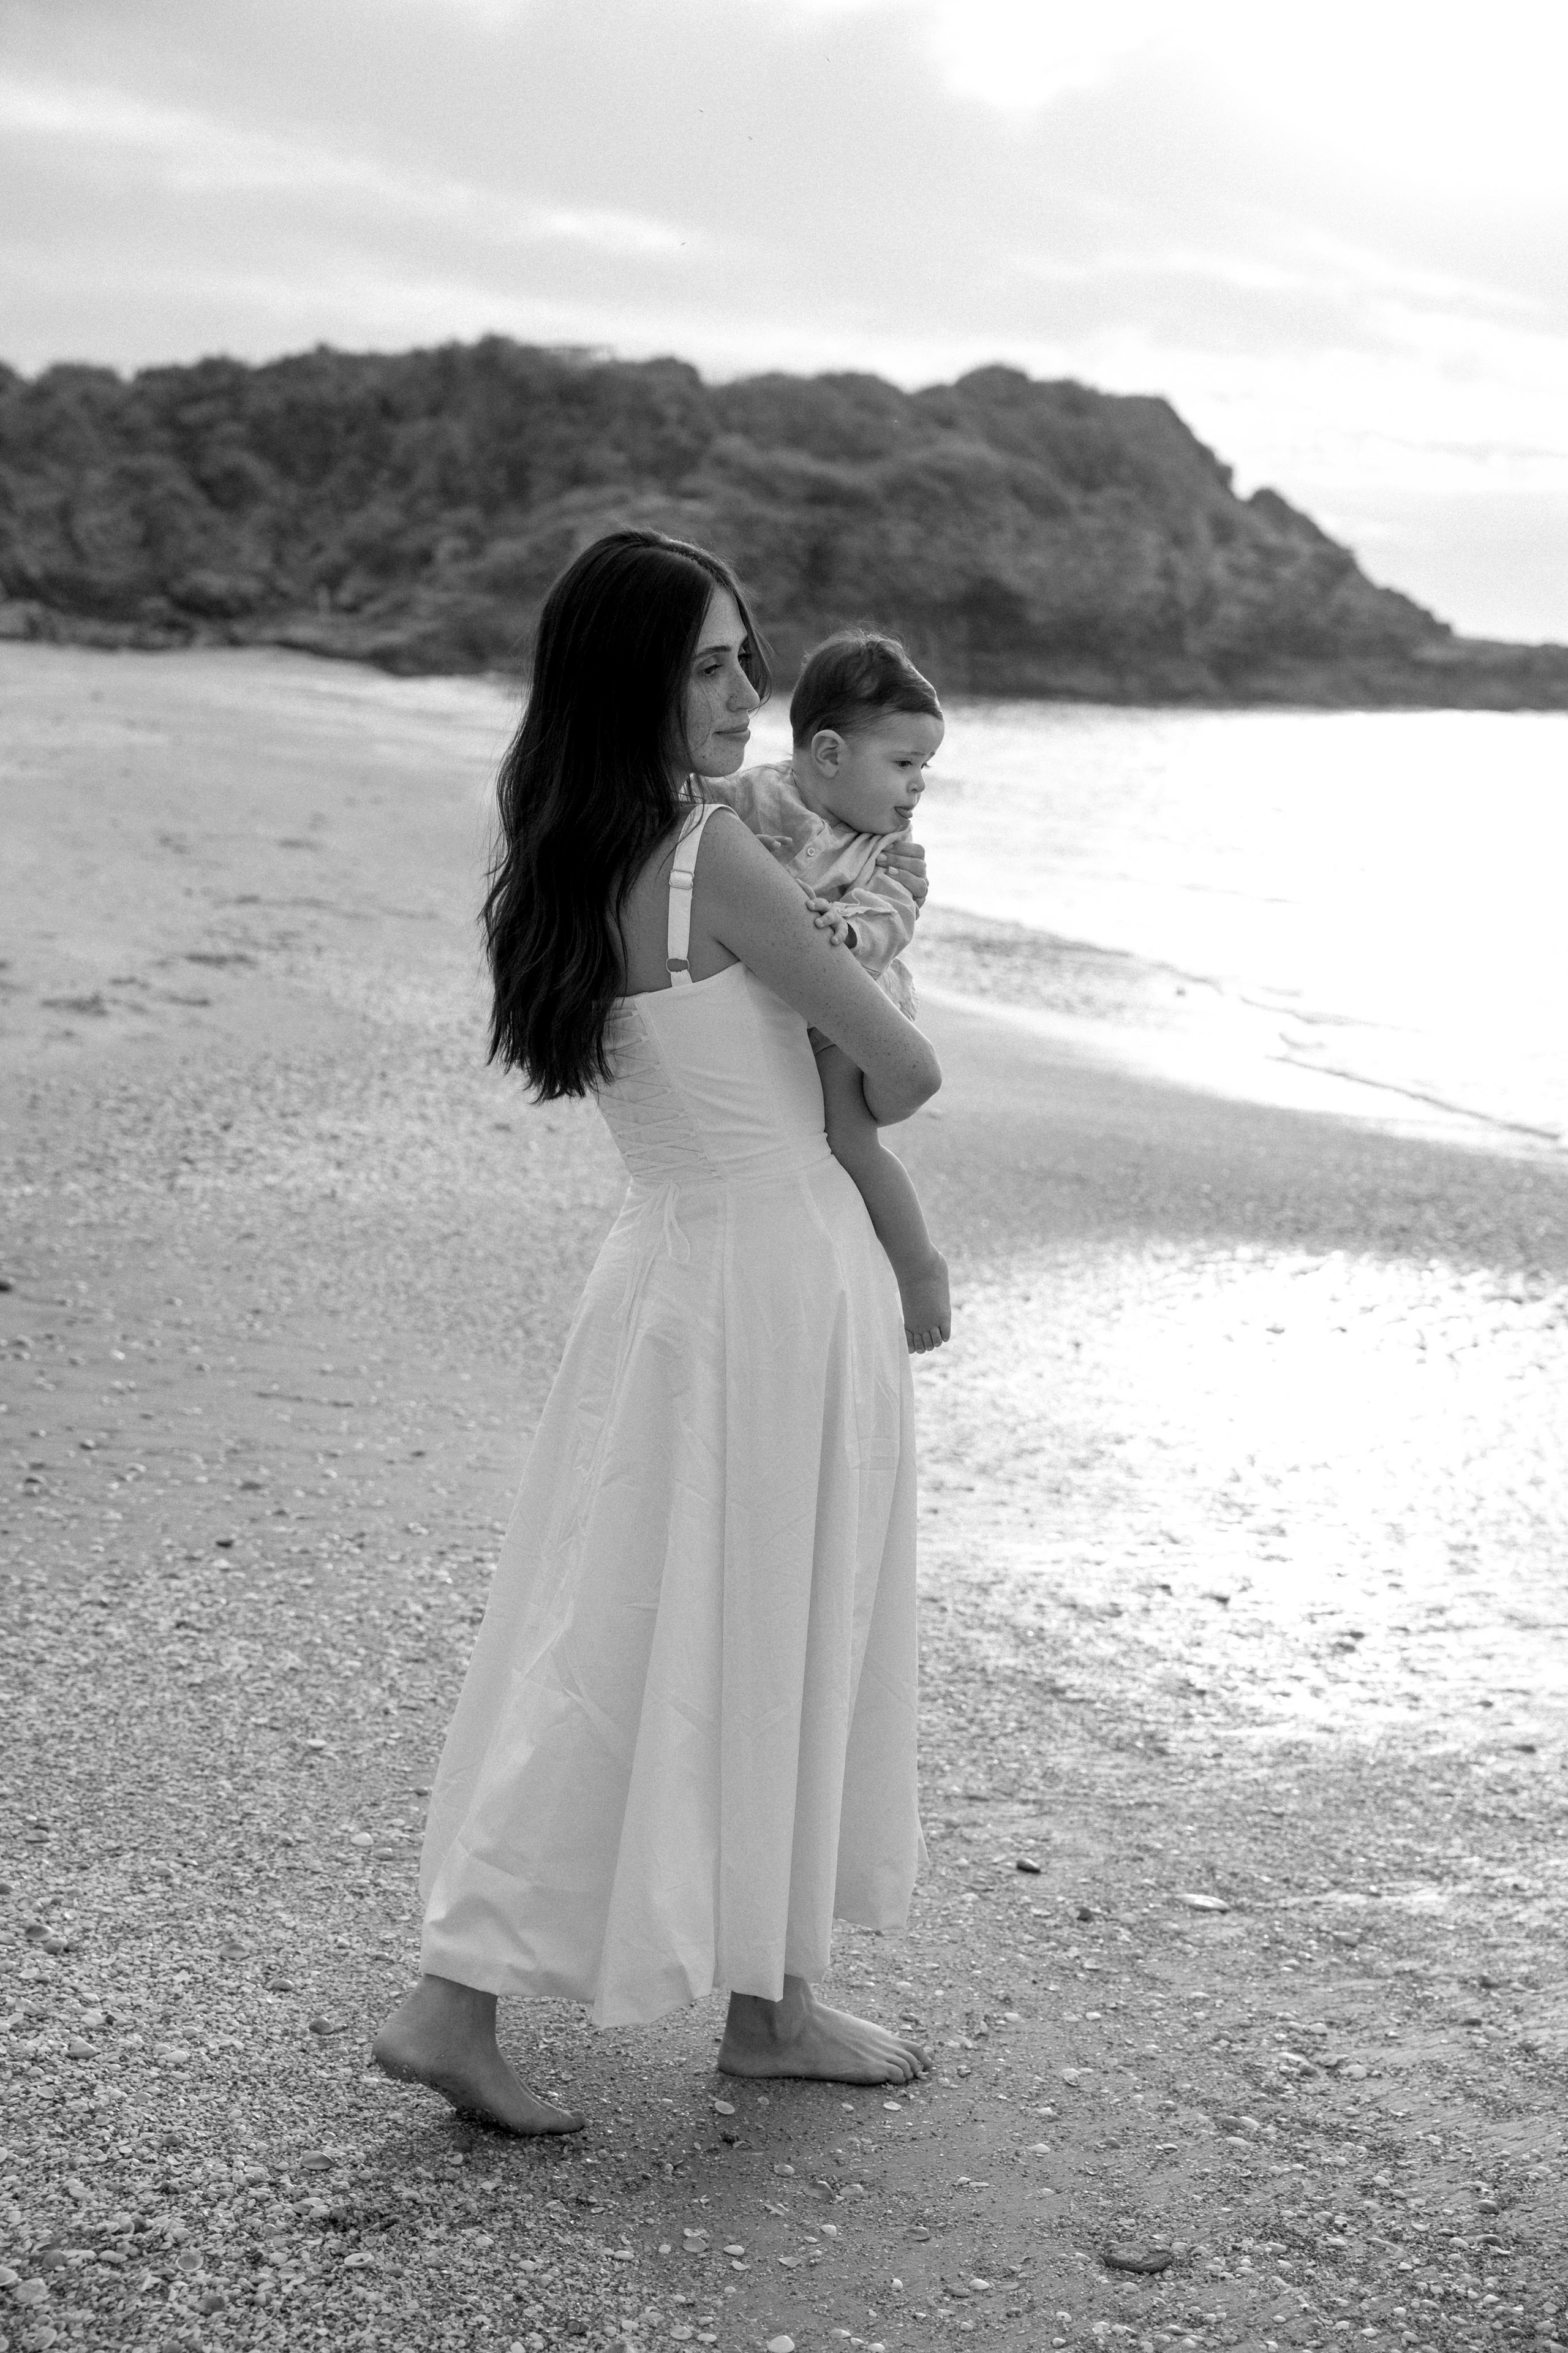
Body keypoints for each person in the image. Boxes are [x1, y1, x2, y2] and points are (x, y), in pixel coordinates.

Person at [372, 528, 941, 2133]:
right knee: (770, 1622)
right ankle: (739, 2003)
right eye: (706, 663)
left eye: (747, 655)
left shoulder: (570, 855)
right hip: (768, 1281)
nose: (746, 692)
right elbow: (901, 1075)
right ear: (625, 676)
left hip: (659, 1271)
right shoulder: (718, 863)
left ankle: (581, 1992)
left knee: (621, 1633)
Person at [709, 630, 950, 1353]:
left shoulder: (890, 851)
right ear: (830, 754)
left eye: (925, 767)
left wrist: (847, 934)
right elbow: (687, 811)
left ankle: (918, 1269)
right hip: (779, 1003)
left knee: (849, 1137)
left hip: (854, 1011)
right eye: (904, 763)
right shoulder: (753, 797)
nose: (918, 785)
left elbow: (891, 920)